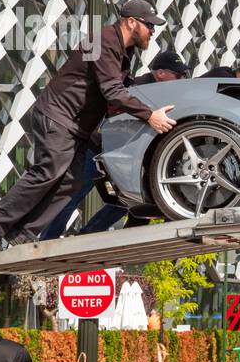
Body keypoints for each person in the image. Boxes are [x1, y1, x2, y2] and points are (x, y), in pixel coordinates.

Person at [0, 0, 176, 254]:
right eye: (149, 25)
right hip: (59, 115)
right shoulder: (103, 42)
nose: (153, 31)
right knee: (48, 172)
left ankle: (22, 233)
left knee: (72, 181)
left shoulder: (124, 50)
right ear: (132, 22)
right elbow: (112, 90)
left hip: (77, 124)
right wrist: (149, 115)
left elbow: (120, 87)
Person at [37, 49, 188, 241]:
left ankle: (87, 236)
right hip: (100, 148)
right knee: (74, 194)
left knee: (127, 199)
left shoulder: (160, 92)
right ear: (161, 73)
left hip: (123, 153)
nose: (182, 79)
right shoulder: (139, 87)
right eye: (179, 75)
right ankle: (48, 239)